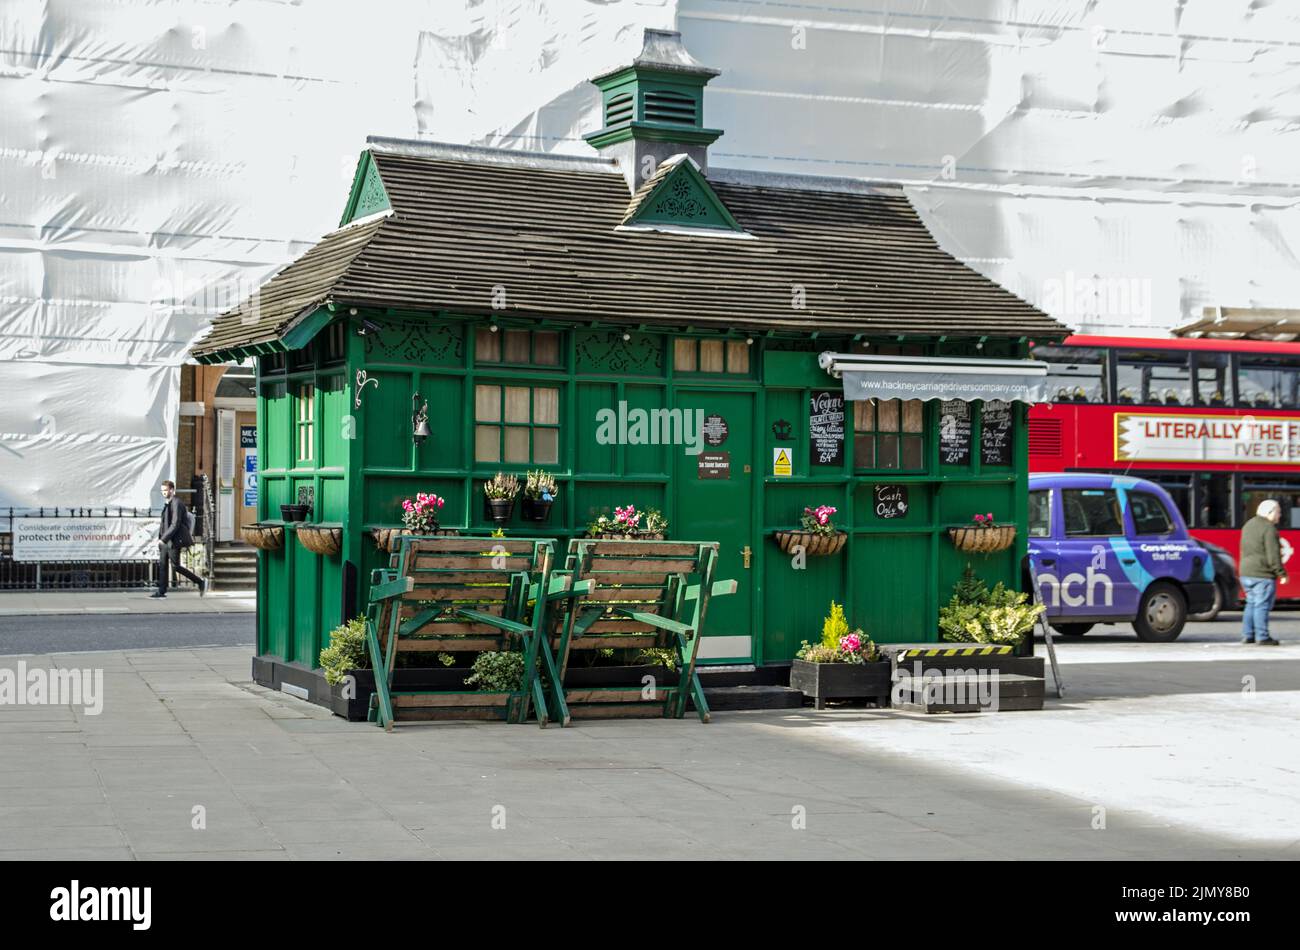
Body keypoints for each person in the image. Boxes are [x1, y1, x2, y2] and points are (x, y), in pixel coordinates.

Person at [1239, 499, 1285, 645]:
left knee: (1251, 603)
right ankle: (1262, 636)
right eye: (1278, 511)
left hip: (1246, 572)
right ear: (1270, 512)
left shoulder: (1248, 525)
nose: (1280, 515)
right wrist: (1281, 573)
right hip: (1261, 574)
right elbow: (1273, 555)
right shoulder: (1269, 528)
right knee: (1262, 605)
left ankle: (1248, 635)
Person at [153, 480, 206, 598]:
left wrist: (164, 538)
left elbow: (175, 524)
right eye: (162, 491)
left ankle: (200, 582)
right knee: (162, 565)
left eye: (166, 490)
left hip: (173, 540)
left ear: (172, 490)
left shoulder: (177, 503)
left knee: (176, 566)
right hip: (165, 540)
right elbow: (164, 523)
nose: (163, 493)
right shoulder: (168, 503)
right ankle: (161, 591)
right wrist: (161, 538)